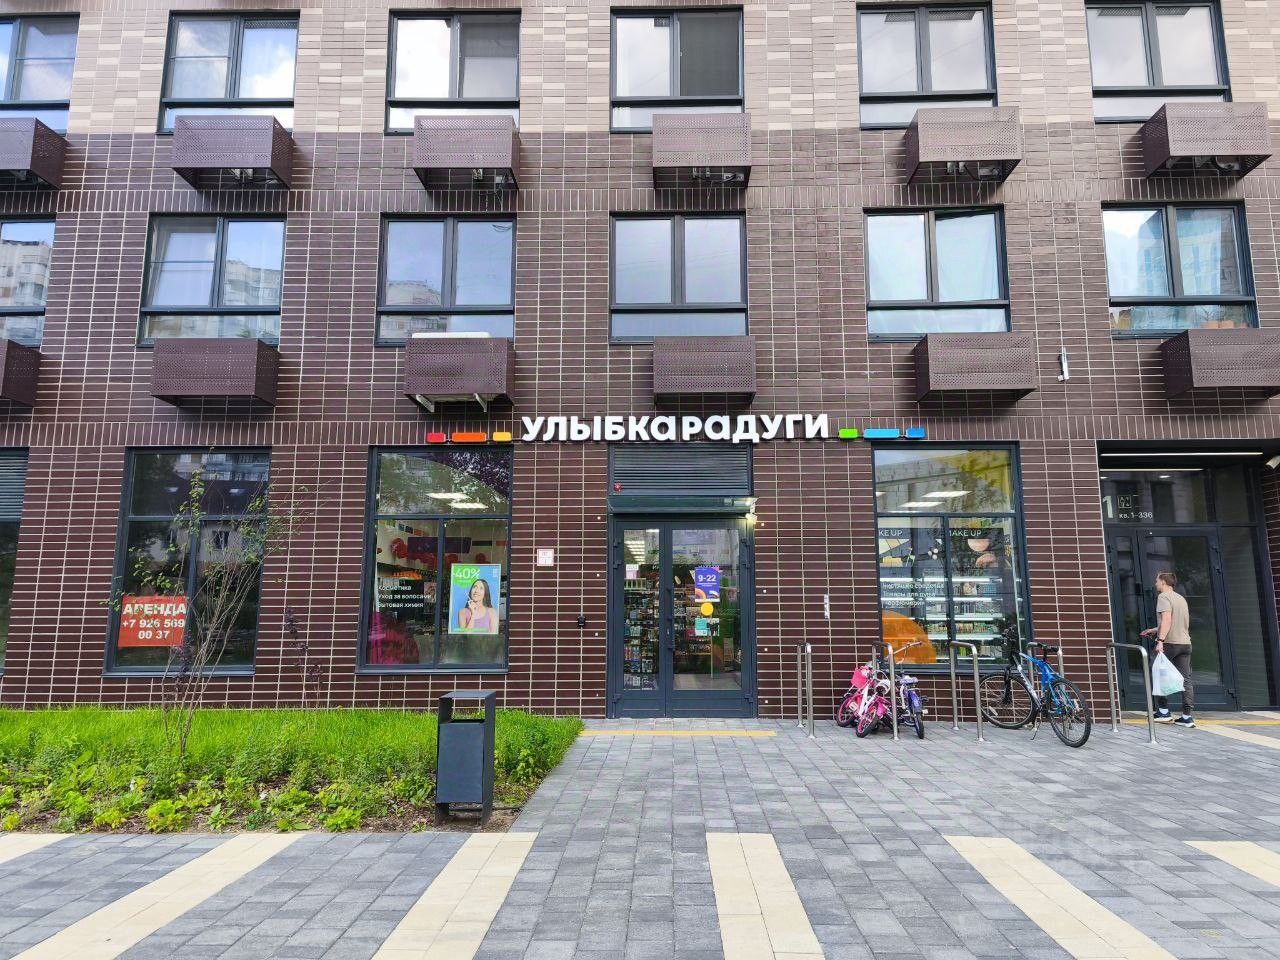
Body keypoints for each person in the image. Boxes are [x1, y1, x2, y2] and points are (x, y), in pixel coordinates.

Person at [1141, 570, 1194, 728]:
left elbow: (1167, 619)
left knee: (1156, 671)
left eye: (1157, 581)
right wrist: (1154, 630)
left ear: (1163, 582)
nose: (1155, 583)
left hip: (1170, 643)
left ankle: (1163, 712)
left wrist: (1160, 640)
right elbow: (1176, 622)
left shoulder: (1163, 597)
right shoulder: (1181, 598)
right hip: (1185, 643)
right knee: (1186, 679)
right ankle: (1187, 717)